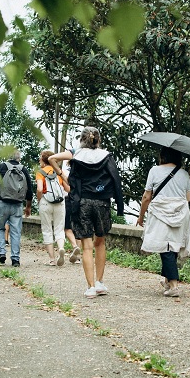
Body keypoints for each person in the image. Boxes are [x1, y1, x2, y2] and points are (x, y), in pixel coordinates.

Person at [49, 127, 124, 298]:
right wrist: (120, 206)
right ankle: (100, 283)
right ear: (98, 140)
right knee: (101, 243)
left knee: (87, 246)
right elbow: (116, 180)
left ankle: (90, 287)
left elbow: (52, 158)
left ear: (82, 139)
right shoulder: (106, 156)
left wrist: (62, 174)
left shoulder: (76, 154)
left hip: (82, 202)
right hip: (102, 202)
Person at [137, 148, 190, 298]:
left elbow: (146, 197)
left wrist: (141, 216)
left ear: (162, 156)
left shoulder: (154, 171)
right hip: (180, 213)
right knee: (172, 245)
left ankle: (174, 284)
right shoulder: (184, 174)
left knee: (165, 247)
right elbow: (187, 198)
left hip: (159, 212)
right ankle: (168, 280)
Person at [0, 150, 33, 267]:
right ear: (19, 158)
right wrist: (28, 206)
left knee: (0, 228)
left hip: (1, 202)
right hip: (17, 204)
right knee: (16, 232)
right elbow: (30, 189)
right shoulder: (23, 169)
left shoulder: (2, 167)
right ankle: (15, 259)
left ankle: (1, 253)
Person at [36, 150, 69, 266]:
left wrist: (39, 198)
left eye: (40, 158)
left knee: (47, 230)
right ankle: (61, 248)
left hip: (46, 202)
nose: (39, 160)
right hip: (59, 203)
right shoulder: (58, 172)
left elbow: (40, 189)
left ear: (43, 160)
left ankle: (52, 259)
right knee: (59, 229)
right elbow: (68, 189)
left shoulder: (40, 172)